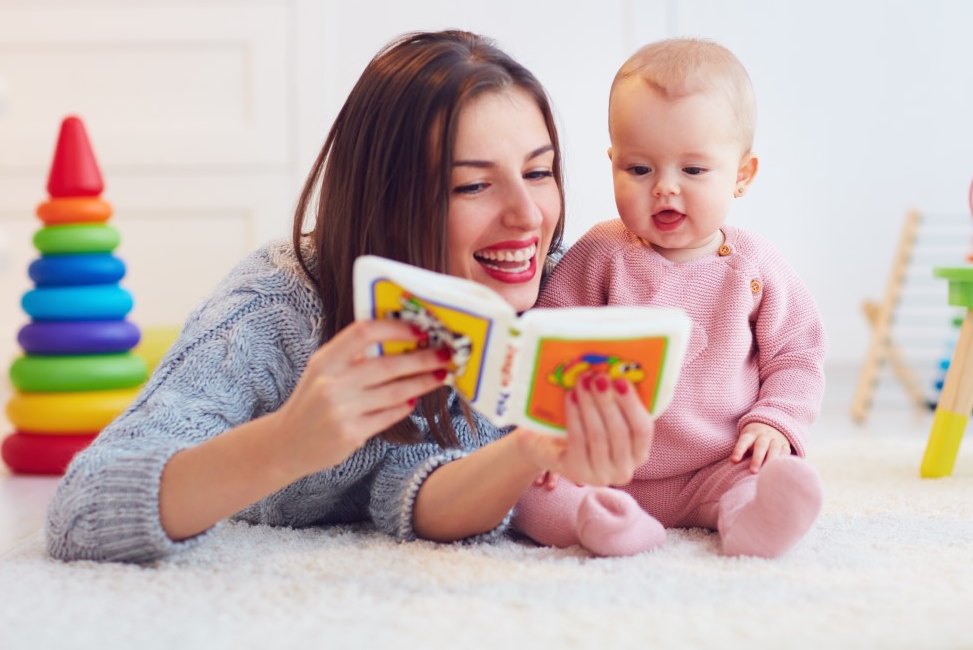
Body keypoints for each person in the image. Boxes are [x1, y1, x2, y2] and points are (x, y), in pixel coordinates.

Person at [45, 30, 655, 563]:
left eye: (539, 172)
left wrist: (532, 450)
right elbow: (82, 511)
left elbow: (415, 492)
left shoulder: (570, 287)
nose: (527, 216)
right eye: (472, 185)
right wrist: (287, 443)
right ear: (388, 199)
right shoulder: (278, 309)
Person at [512, 38, 827, 558]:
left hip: (716, 462)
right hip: (600, 465)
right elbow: (546, 347)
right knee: (529, 493)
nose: (665, 188)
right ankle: (604, 524)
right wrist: (545, 434)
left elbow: (797, 352)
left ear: (742, 175)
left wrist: (776, 421)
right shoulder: (600, 254)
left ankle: (752, 520)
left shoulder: (755, 265)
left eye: (694, 171)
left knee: (759, 473)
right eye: (640, 169)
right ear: (613, 162)